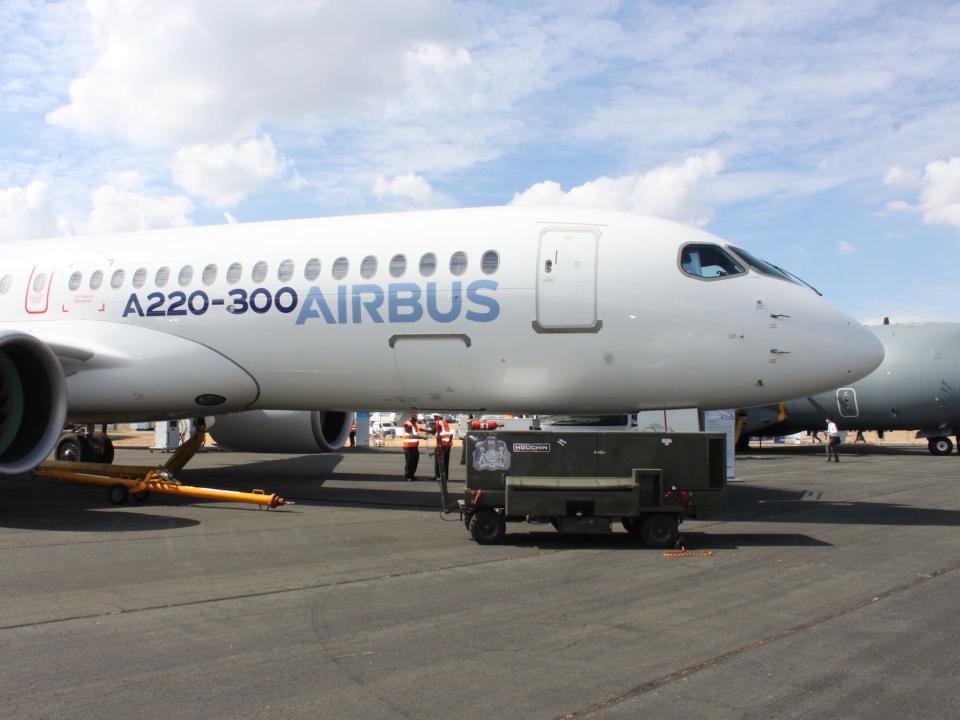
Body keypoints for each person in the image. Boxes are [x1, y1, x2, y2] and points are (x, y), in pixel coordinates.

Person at [434, 414, 454, 481]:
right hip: (447, 444)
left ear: (438, 417)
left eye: (435, 417)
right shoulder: (445, 422)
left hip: (441, 444)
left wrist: (424, 430)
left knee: (438, 461)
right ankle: (445, 476)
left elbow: (434, 431)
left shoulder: (438, 422)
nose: (434, 419)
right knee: (445, 461)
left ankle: (438, 476)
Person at [402, 414, 419, 481]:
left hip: (415, 446)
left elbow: (420, 429)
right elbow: (411, 436)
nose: (416, 418)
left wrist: (428, 431)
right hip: (408, 446)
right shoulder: (407, 424)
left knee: (415, 461)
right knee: (409, 461)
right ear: (410, 418)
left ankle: (412, 475)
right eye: (415, 417)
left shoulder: (415, 424)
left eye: (416, 417)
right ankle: (407, 476)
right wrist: (423, 437)